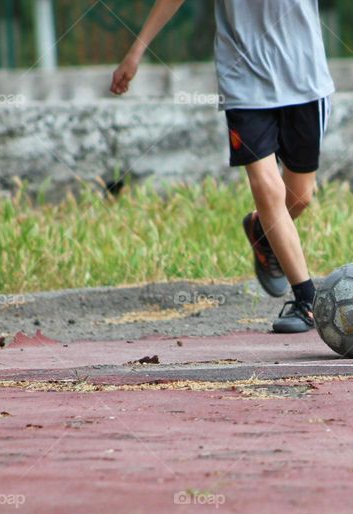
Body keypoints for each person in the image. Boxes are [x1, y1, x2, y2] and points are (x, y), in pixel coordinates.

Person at [111, 0, 335, 333]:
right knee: (267, 189)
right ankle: (307, 300)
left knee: (299, 198)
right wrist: (136, 51)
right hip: (244, 83)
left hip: (304, 79)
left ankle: (262, 232)